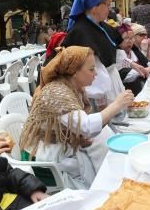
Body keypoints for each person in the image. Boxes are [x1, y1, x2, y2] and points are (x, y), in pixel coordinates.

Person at [20, 46, 134, 188]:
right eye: (91, 69)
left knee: (103, 137)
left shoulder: (71, 87)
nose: (96, 73)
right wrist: (117, 104)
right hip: (50, 154)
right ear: (74, 72)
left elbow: (77, 125)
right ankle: (105, 188)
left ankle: (110, 182)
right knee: (101, 142)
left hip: (62, 144)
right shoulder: (57, 92)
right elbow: (85, 126)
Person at [62, 0, 125, 105]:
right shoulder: (80, 31)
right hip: (95, 91)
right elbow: (91, 71)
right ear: (94, 7)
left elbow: (115, 53)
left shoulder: (101, 26)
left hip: (110, 84)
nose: (110, 8)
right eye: (107, 4)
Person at [116, 27, 147, 96]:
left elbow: (147, 63)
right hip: (127, 94)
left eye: (132, 38)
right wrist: (145, 70)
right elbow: (123, 76)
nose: (130, 41)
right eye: (126, 38)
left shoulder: (134, 52)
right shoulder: (116, 56)